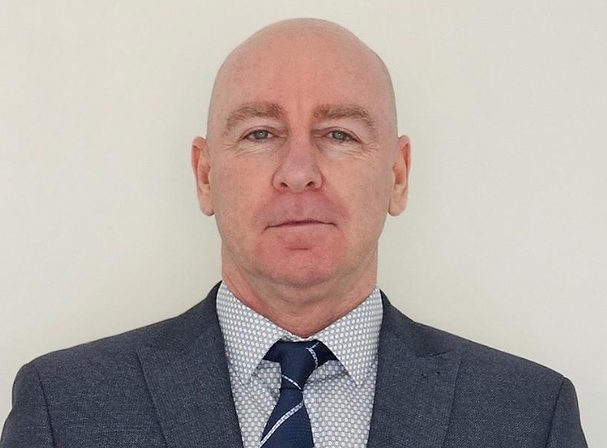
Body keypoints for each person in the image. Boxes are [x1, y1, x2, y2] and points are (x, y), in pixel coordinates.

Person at [0, 18, 587, 448]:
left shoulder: (528, 415)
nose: (299, 172)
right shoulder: (63, 408)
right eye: (259, 133)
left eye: (339, 134)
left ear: (398, 176)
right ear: (205, 176)